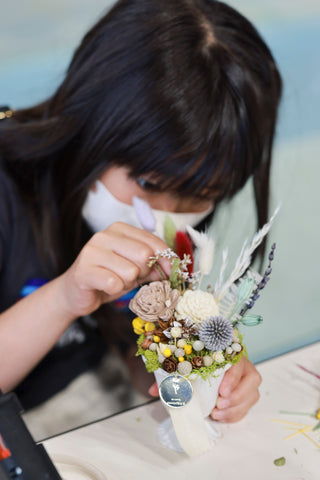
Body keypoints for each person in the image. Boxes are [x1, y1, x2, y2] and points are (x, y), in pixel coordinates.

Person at [0, 0, 282, 437]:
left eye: (200, 197)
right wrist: (63, 298)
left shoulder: (182, 198)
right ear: (92, 123)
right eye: (149, 184)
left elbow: (141, 372)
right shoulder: (8, 187)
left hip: (92, 402)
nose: (166, 216)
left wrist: (197, 368)